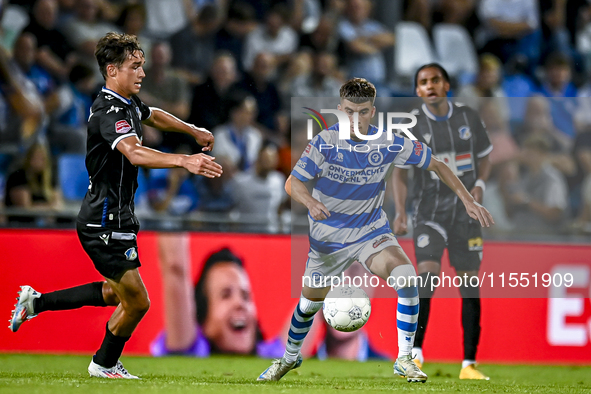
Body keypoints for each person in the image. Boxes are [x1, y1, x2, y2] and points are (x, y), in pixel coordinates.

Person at [9, 32, 223, 379]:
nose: (142, 73)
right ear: (112, 70)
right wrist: (184, 160)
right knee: (138, 302)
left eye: (142, 66)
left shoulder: (127, 103)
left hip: (116, 217)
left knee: (116, 292)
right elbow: (135, 152)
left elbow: (153, 115)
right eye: (134, 67)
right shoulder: (109, 112)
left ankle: (35, 302)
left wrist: (192, 129)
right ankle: (104, 363)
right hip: (104, 220)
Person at [258, 77, 494, 383]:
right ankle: (289, 358)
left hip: (371, 232)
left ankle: (404, 359)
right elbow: (293, 183)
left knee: (407, 277)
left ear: (373, 110)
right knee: (307, 306)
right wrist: (310, 202)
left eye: (363, 112)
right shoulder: (325, 142)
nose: (356, 119)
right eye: (350, 112)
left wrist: (468, 201)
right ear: (340, 109)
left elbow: (438, 165)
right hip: (328, 240)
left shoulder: (389, 142)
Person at [391, 63, 493, 380]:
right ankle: (416, 354)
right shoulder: (412, 126)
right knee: (427, 277)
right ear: (418, 91)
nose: (430, 86)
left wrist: (480, 185)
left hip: (467, 212)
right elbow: (401, 172)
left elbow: (485, 156)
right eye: (423, 82)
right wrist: (400, 211)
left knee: (469, 285)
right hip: (428, 212)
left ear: (447, 85)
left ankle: (469, 365)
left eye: (436, 80)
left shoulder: (468, 117)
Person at [150, 246, 284, 357]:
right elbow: (175, 268)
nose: (240, 303)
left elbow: (305, 300)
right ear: (203, 314)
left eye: (245, 296)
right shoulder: (187, 351)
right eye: (226, 295)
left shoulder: (272, 359)